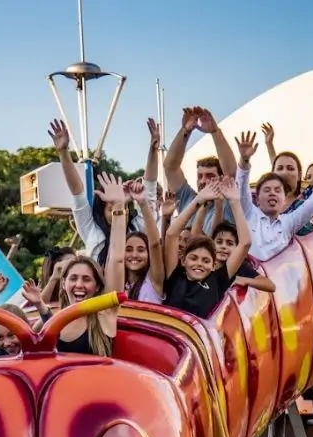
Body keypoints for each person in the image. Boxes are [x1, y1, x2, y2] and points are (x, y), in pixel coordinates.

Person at [233, 130, 313, 262]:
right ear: (257, 199)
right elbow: (241, 187)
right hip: (248, 276)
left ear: (284, 200)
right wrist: (244, 160)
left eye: (277, 190)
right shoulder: (249, 214)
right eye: (267, 190)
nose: (272, 193)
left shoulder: (288, 222)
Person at [48, 119, 145, 264]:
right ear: (102, 212)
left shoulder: (136, 229)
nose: (118, 212)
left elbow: (149, 187)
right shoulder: (91, 231)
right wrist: (63, 153)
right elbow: (77, 193)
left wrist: (153, 148)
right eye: (111, 209)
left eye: (123, 207)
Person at [55, 173, 128, 356]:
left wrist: (119, 207)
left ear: (97, 287)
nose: (79, 285)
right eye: (73, 278)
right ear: (64, 285)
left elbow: (117, 259)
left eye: (86, 279)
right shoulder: (52, 321)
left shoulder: (105, 314)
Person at [163, 178, 257, 317]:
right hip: (173, 335)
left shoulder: (218, 280)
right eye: (193, 258)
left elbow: (245, 243)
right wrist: (197, 201)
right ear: (183, 261)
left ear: (213, 265)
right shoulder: (175, 274)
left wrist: (235, 202)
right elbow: (171, 235)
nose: (199, 264)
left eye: (206, 261)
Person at [163, 107, 239, 234]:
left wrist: (215, 132)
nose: (203, 181)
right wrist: (186, 131)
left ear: (221, 179)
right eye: (200, 176)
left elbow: (230, 172)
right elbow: (170, 167)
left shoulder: (229, 203)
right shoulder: (189, 199)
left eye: (209, 176)